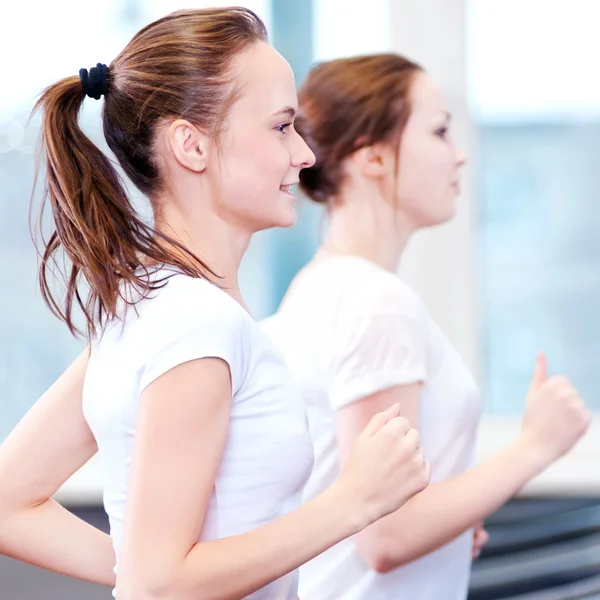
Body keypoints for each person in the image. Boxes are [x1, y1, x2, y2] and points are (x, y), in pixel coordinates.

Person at [0, 15, 431, 600]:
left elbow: (10, 506)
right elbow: (160, 582)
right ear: (192, 145)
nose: (304, 154)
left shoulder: (145, 309)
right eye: (281, 128)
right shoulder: (197, 324)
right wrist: (351, 503)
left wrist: (138, 567)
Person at [261, 53, 592, 600]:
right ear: (372, 158)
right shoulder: (376, 302)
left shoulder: (317, 290)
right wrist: (536, 445)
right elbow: (385, 533)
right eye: (439, 131)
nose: (459, 156)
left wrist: (449, 522)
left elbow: (372, 516)